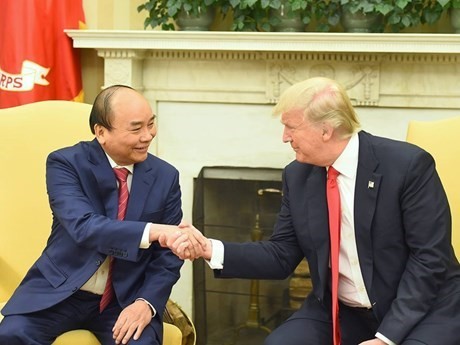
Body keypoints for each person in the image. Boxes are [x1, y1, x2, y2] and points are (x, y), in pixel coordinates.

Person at [179, 77, 460, 344]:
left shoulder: (407, 166)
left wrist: (386, 337)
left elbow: (429, 259)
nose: (284, 137)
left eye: (291, 127)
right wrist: (208, 249)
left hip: (423, 308)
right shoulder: (298, 176)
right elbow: (281, 254)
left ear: (326, 130)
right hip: (344, 311)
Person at [0, 85, 204, 345]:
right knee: (10, 335)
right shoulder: (66, 164)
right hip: (62, 291)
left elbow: (167, 257)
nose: (147, 136)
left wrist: (146, 303)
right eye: (136, 128)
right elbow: (84, 226)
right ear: (101, 132)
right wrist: (155, 230)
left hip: (124, 299)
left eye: (151, 124)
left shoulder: (165, 177)